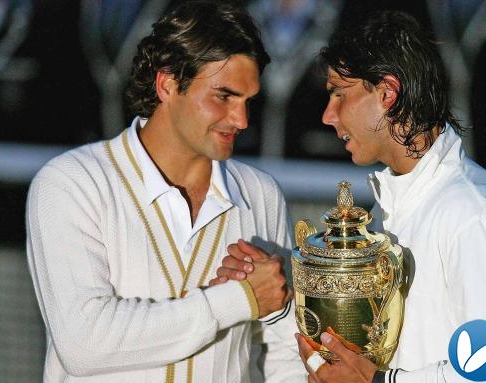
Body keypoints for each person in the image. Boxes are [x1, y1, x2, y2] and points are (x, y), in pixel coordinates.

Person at [216, 9, 486, 383]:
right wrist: (281, 300)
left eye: (340, 94)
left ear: (388, 93)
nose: (328, 115)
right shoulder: (388, 209)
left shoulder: (473, 214)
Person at [26, 2, 305, 382]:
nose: (241, 120)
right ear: (168, 84)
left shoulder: (261, 193)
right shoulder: (70, 183)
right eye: (224, 96)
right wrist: (238, 300)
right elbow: (84, 343)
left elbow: (281, 352)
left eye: (247, 101)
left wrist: (273, 307)